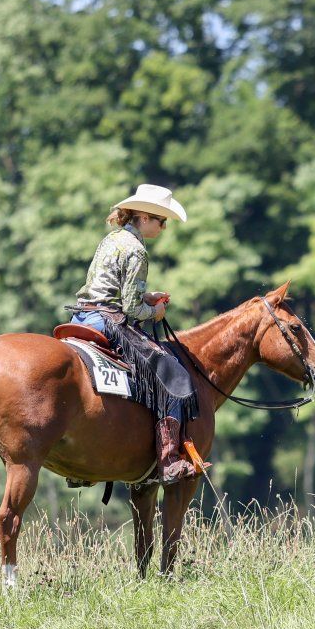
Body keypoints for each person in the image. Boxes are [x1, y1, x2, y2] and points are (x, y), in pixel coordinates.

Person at [70, 184, 200, 485]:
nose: (164, 227)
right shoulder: (137, 250)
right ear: (143, 216)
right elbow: (129, 307)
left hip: (83, 316)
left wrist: (147, 296)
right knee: (174, 377)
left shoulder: (113, 238)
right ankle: (168, 462)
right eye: (160, 220)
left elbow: (116, 289)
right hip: (109, 321)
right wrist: (154, 312)